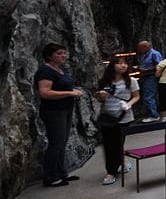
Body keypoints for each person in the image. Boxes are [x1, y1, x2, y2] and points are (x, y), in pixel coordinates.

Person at [34, 43, 84, 187]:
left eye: (64, 53)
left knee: (62, 143)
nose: (63, 56)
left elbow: (61, 86)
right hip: (54, 111)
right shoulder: (45, 71)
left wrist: (73, 91)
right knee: (56, 144)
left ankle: (62, 173)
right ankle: (50, 177)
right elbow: (44, 92)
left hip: (65, 109)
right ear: (50, 56)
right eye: (59, 53)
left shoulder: (59, 70)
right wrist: (70, 93)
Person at [95, 56, 139, 185]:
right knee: (109, 144)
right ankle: (118, 164)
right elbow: (100, 100)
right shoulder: (104, 81)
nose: (123, 66)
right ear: (112, 66)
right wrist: (100, 96)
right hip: (107, 116)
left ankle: (111, 172)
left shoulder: (130, 81)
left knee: (117, 143)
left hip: (123, 116)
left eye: (125, 63)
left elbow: (136, 96)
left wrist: (129, 104)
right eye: (119, 63)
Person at [136, 40, 162, 122]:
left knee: (149, 96)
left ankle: (154, 115)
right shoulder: (145, 55)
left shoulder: (154, 54)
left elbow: (159, 66)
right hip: (145, 77)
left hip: (151, 77)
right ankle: (150, 113)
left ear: (145, 47)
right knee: (147, 95)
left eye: (140, 47)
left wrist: (146, 69)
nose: (139, 49)